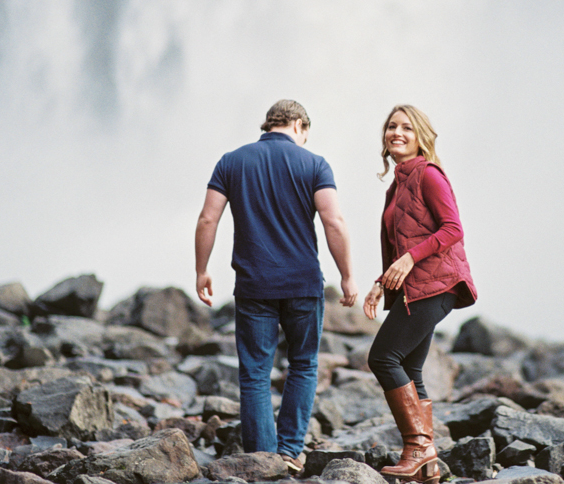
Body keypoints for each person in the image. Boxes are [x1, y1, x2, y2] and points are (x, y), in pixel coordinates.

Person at [195, 99, 357, 472]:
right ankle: (288, 450)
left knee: (254, 371)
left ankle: (264, 457)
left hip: (254, 285)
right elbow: (335, 222)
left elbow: (208, 219)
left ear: (269, 124)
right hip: (302, 283)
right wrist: (347, 275)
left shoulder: (231, 161)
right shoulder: (314, 163)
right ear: (299, 125)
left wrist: (202, 269)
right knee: (303, 364)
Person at [363, 104, 477, 484]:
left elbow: (452, 229)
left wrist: (410, 260)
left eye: (407, 128)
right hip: (418, 286)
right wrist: (383, 283)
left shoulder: (429, 176)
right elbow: (402, 243)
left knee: (383, 357)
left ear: (421, 137)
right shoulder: (399, 183)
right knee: (410, 369)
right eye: (391, 126)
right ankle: (426, 466)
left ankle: (417, 447)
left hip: (437, 284)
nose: (397, 132)